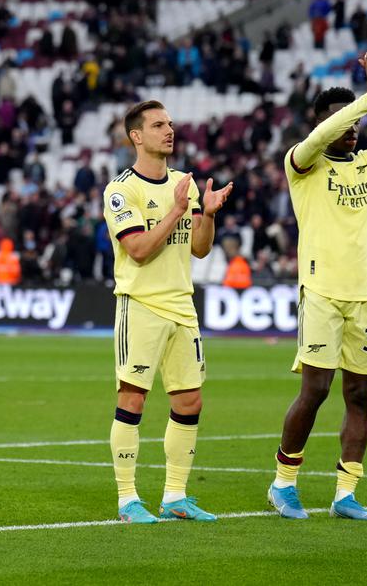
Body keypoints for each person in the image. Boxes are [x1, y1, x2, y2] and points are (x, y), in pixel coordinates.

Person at [268, 50, 367, 520]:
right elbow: (319, 139)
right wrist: (365, 100)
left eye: (356, 121)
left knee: (360, 395)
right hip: (321, 291)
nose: (353, 127)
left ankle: (346, 492)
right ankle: (283, 483)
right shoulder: (302, 164)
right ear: (321, 123)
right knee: (315, 390)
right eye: (343, 120)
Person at [102, 100, 232, 524]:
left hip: (182, 305)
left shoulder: (184, 183)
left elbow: (199, 248)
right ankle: (127, 500)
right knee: (132, 399)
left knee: (190, 400)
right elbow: (138, 250)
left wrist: (206, 214)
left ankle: (175, 496)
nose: (169, 130)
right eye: (158, 125)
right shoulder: (122, 190)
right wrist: (177, 210)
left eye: (170, 124)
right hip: (141, 305)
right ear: (136, 136)